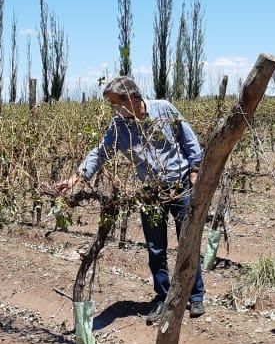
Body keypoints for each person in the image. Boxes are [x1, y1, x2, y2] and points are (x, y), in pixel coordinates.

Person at [56, 76, 207, 324]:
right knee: (155, 248)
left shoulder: (164, 109)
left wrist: (195, 169)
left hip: (179, 186)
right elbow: (101, 152)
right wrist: (75, 178)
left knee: (188, 241)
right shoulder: (119, 126)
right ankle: (163, 297)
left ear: (133, 98)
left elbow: (188, 139)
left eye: (116, 104)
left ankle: (195, 295)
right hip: (149, 191)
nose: (114, 110)